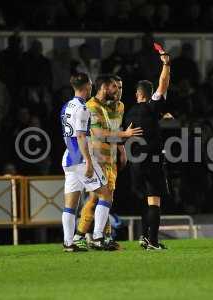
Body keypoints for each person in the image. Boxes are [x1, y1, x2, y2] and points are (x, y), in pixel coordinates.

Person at [73, 75, 142, 250]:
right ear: (104, 87)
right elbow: (99, 134)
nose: (119, 91)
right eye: (116, 87)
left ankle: (96, 237)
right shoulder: (91, 106)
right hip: (97, 159)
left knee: (104, 199)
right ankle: (90, 236)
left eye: (120, 87)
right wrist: (125, 136)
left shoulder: (119, 106)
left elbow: (115, 129)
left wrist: (121, 148)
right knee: (99, 197)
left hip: (111, 159)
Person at [124, 47, 170, 250]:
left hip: (134, 164)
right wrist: (166, 64)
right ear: (149, 95)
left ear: (137, 95)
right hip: (151, 160)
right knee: (155, 200)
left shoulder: (130, 112)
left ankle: (144, 237)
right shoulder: (152, 106)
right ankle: (153, 241)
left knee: (146, 199)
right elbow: (163, 84)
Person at [61, 72, 112, 252]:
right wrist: (89, 162)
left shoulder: (66, 106)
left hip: (68, 158)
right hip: (81, 159)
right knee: (106, 194)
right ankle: (98, 236)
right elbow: (81, 136)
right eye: (90, 85)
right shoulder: (83, 108)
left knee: (70, 205)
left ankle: (68, 243)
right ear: (87, 86)